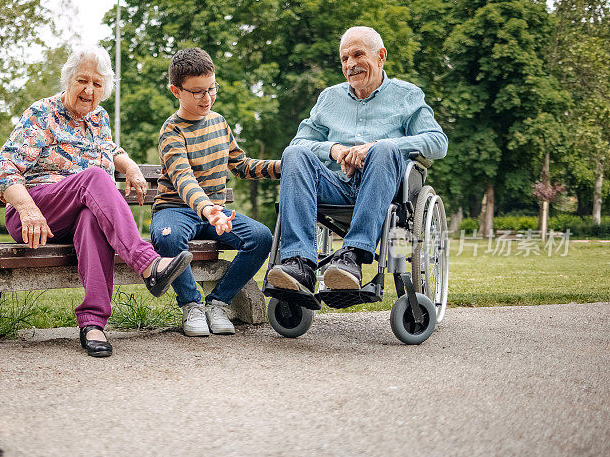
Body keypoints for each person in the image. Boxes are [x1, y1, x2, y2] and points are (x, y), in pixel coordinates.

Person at [0, 45, 192, 358]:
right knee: (96, 178)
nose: (89, 90)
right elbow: (3, 168)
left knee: (90, 217)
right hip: (36, 213)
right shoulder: (43, 112)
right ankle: (148, 263)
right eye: (82, 80)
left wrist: (131, 166)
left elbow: (108, 149)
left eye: (97, 84)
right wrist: (27, 209)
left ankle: (93, 322)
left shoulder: (99, 118)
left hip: (76, 212)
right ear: (68, 79)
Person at [267, 26, 448, 298]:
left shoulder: (407, 95)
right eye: (344, 59)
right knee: (293, 155)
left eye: (357, 55)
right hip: (334, 185)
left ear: (381, 56)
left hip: (383, 188)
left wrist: (374, 148)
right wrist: (335, 150)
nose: (350, 65)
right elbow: (299, 142)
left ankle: (352, 257)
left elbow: (438, 142)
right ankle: (299, 264)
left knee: (385, 148)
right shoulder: (329, 98)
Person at [151, 48, 280, 337]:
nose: (207, 98)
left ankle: (219, 303)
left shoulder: (219, 122)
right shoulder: (171, 131)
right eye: (197, 92)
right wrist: (208, 209)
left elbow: (242, 165)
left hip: (215, 215)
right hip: (176, 209)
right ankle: (191, 305)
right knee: (166, 238)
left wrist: (284, 166)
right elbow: (183, 179)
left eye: (211, 89)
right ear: (176, 91)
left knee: (260, 237)